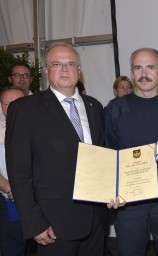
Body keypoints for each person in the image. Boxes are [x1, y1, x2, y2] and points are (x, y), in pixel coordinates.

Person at [5, 42, 107, 256]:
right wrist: (34, 223)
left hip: (95, 220)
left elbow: (101, 159)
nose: (64, 69)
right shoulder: (24, 109)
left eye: (70, 64)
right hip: (52, 223)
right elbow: (19, 172)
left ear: (79, 71)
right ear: (46, 70)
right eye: (56, 64)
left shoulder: (94, 106)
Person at [105, 48, 158, 256]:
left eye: (150, 67)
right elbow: (108, 152)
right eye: (138, 68)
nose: (144, 73)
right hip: (129, 200)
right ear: (132, 73)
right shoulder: (114, 109)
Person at [0, 86, 27, 256]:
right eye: (6, 103)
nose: (11, 108)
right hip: (9, 199)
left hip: (43, 200)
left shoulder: (43, 128)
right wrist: (11, 190)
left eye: (16, 103)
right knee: (13, 246)